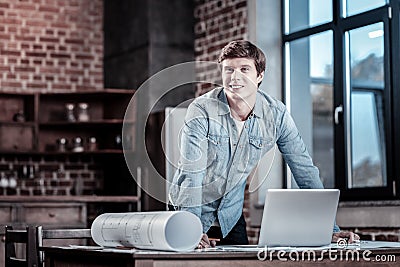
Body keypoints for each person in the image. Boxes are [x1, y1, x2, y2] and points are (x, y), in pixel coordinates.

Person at [169, 40, 359, 248]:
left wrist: (328, 230)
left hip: (229, 216)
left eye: (244, 69)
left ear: (259, 75)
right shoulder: (202, 110)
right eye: (229, 70)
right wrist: (190, 230)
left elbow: (305, 171)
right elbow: (192, 173)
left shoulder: (276, 115)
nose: (235, 77)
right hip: (189, 211)